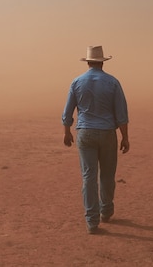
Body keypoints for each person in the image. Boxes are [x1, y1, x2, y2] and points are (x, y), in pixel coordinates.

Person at [62, 45, 130, 234]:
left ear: (88, 62)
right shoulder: (113, 82)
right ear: (102, 62)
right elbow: (121, 113)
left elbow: (67, 111)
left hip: (85, 133)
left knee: (88, 177)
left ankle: (91, 221)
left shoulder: (77, 82)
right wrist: (125, 137)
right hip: (108, 132)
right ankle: (106, 211)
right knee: (107, 175)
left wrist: (67, 131)